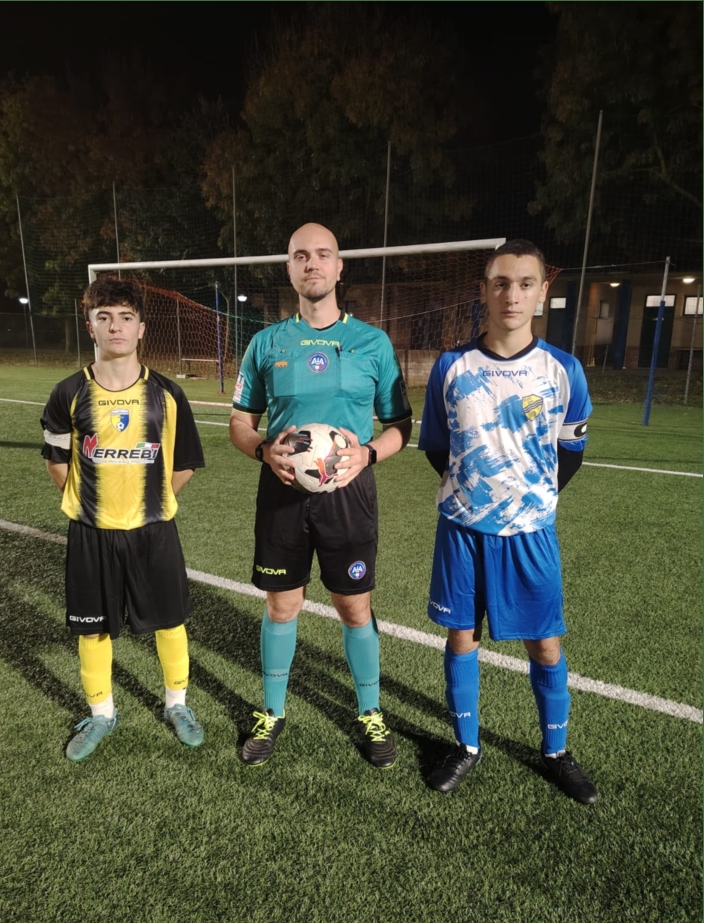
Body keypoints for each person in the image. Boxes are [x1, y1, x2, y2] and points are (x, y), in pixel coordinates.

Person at [418, 239, 597, 804]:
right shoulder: (451, 367)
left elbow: (571, 452)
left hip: (531, 533)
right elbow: (437, 446)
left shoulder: (564, 370)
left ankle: (556, 752)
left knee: (545, 645)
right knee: (461, 636)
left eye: (525, 284)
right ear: (484, 291)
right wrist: (478, 495)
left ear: (542, 292)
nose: (512, 295)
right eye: (500, 283)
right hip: (462, 530)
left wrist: (527, 501)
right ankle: (466, 745)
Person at [229, 222, 413, 767]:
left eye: (323, 254)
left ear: (339, 266)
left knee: (354, 607)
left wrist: (368, 454)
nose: (312, 264)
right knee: (282, 604)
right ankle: (272, 711)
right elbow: (240, 422)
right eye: (301, 256)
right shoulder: (266, 343)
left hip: (348, 496)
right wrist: (263, 451)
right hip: (282, 492)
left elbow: (400, 425)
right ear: (289, 268)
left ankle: (370, 712)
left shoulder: (372, 343)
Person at [41, 277, 205, 761]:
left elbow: (184, 464)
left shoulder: (168, 394)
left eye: (126, 318)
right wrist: (93, 505)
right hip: (91, 534)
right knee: (92, 628)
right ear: (90, 326)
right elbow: (57, 462)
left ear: (141, 328)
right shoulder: (68, 392)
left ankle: (177, 705)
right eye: (105, 317)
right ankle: (101, 713)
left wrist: (148, 502)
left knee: (170, 621)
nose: (116, 326)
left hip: (153, 531)